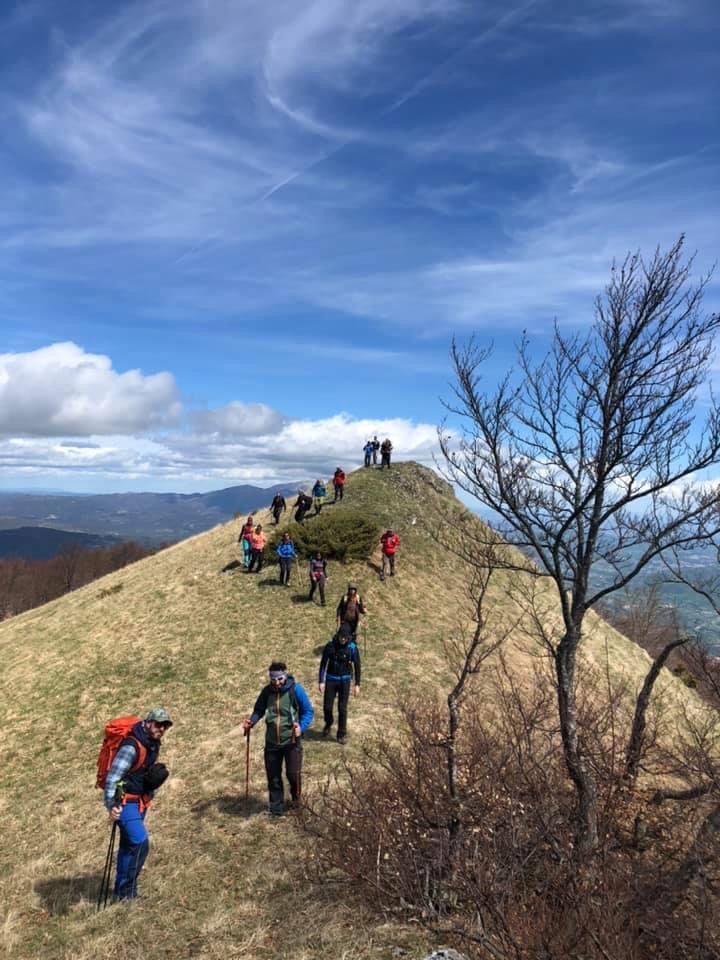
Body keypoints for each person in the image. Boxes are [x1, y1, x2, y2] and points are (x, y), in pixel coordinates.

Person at [104, 708, 172, 900]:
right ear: (148, 722)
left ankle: (121, 892)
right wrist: (111, 806)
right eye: (159, 724)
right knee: (140, 843)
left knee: (128, 846)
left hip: (140, 802)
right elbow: (112, 778)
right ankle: (127, 891)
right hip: (124, 803)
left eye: (165, 726)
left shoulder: (152, 744)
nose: (162, 729)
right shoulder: (131, 746)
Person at [243, 662, 314, 816]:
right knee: (273, 776)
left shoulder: (296, 690)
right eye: (273, 679)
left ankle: (296, 801)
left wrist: (301, 727)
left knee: (293, 774)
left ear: (285, 675)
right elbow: (259, 709)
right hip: (272, 741)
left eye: (280, 679)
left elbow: (308, 711)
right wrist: (251, 722)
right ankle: (276, 809)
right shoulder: (266, 692)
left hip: (291, 741)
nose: (277, 683)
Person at [319, 622, 361, 744]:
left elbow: (357, 666)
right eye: (341, 636)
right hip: (331, 679)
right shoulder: (330, 646)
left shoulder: (352, 648)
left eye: (345, 637)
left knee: (342, 708)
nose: (343, 639)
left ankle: (341, 734)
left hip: (345, 680)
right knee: (327, 706)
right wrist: (321, 681)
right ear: (338, 635)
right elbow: (323, 664)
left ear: (349, 637)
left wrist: (357, 684)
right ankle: (328, 722)